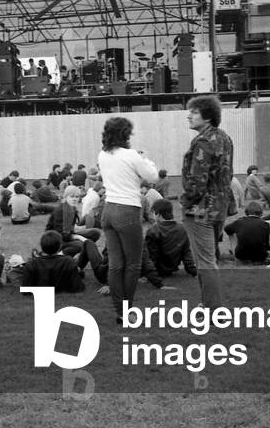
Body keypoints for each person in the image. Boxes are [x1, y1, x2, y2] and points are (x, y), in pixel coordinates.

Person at [98, 116, 159, 320]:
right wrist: (145, 158)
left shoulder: (102, 155)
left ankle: (120, 311)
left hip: (108, 210)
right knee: (133, 264)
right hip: (127, 210)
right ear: (126, 134)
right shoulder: (132, 155)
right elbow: (152, 177)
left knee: (116, 265)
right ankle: (127, 310)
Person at [180, 95, 233, 309]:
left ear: (208, 116)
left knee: (205, 262)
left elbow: (196, 182)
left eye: (194, 112)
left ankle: (213, 309)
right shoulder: (224, 138)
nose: (189, 116)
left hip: (200, 210)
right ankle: (207, 304)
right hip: (218, 208)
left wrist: (186, 200)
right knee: (209, 261)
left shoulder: (202, 141)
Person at [17, 231, 84, 293]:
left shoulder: (32, 263)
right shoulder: (68, 262)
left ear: (41, 246)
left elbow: (26, 289)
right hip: (63, 289)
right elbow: (78, 287)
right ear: (60, 246)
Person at [145, 199, 197, 276]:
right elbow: (186, 254)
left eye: (152, 213)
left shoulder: (153, 231)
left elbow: (152, 256)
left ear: (158, 214)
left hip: (158, 270)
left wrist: (149, 275)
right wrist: (193, 270)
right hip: (172, 268)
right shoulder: (182, 229)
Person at [45, 185, 102, 255]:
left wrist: (77, 233)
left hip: (67, 235)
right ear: (66, 197)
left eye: (77, 197)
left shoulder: (72, 209)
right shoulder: (61, 210)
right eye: (72, 196)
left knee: (94, 233)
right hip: (54, 239)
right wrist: (78, 237)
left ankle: (79, 262)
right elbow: (61, 234)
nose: (74, 199)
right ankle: (58, 256)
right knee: (79, 245)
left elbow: (70, 229)